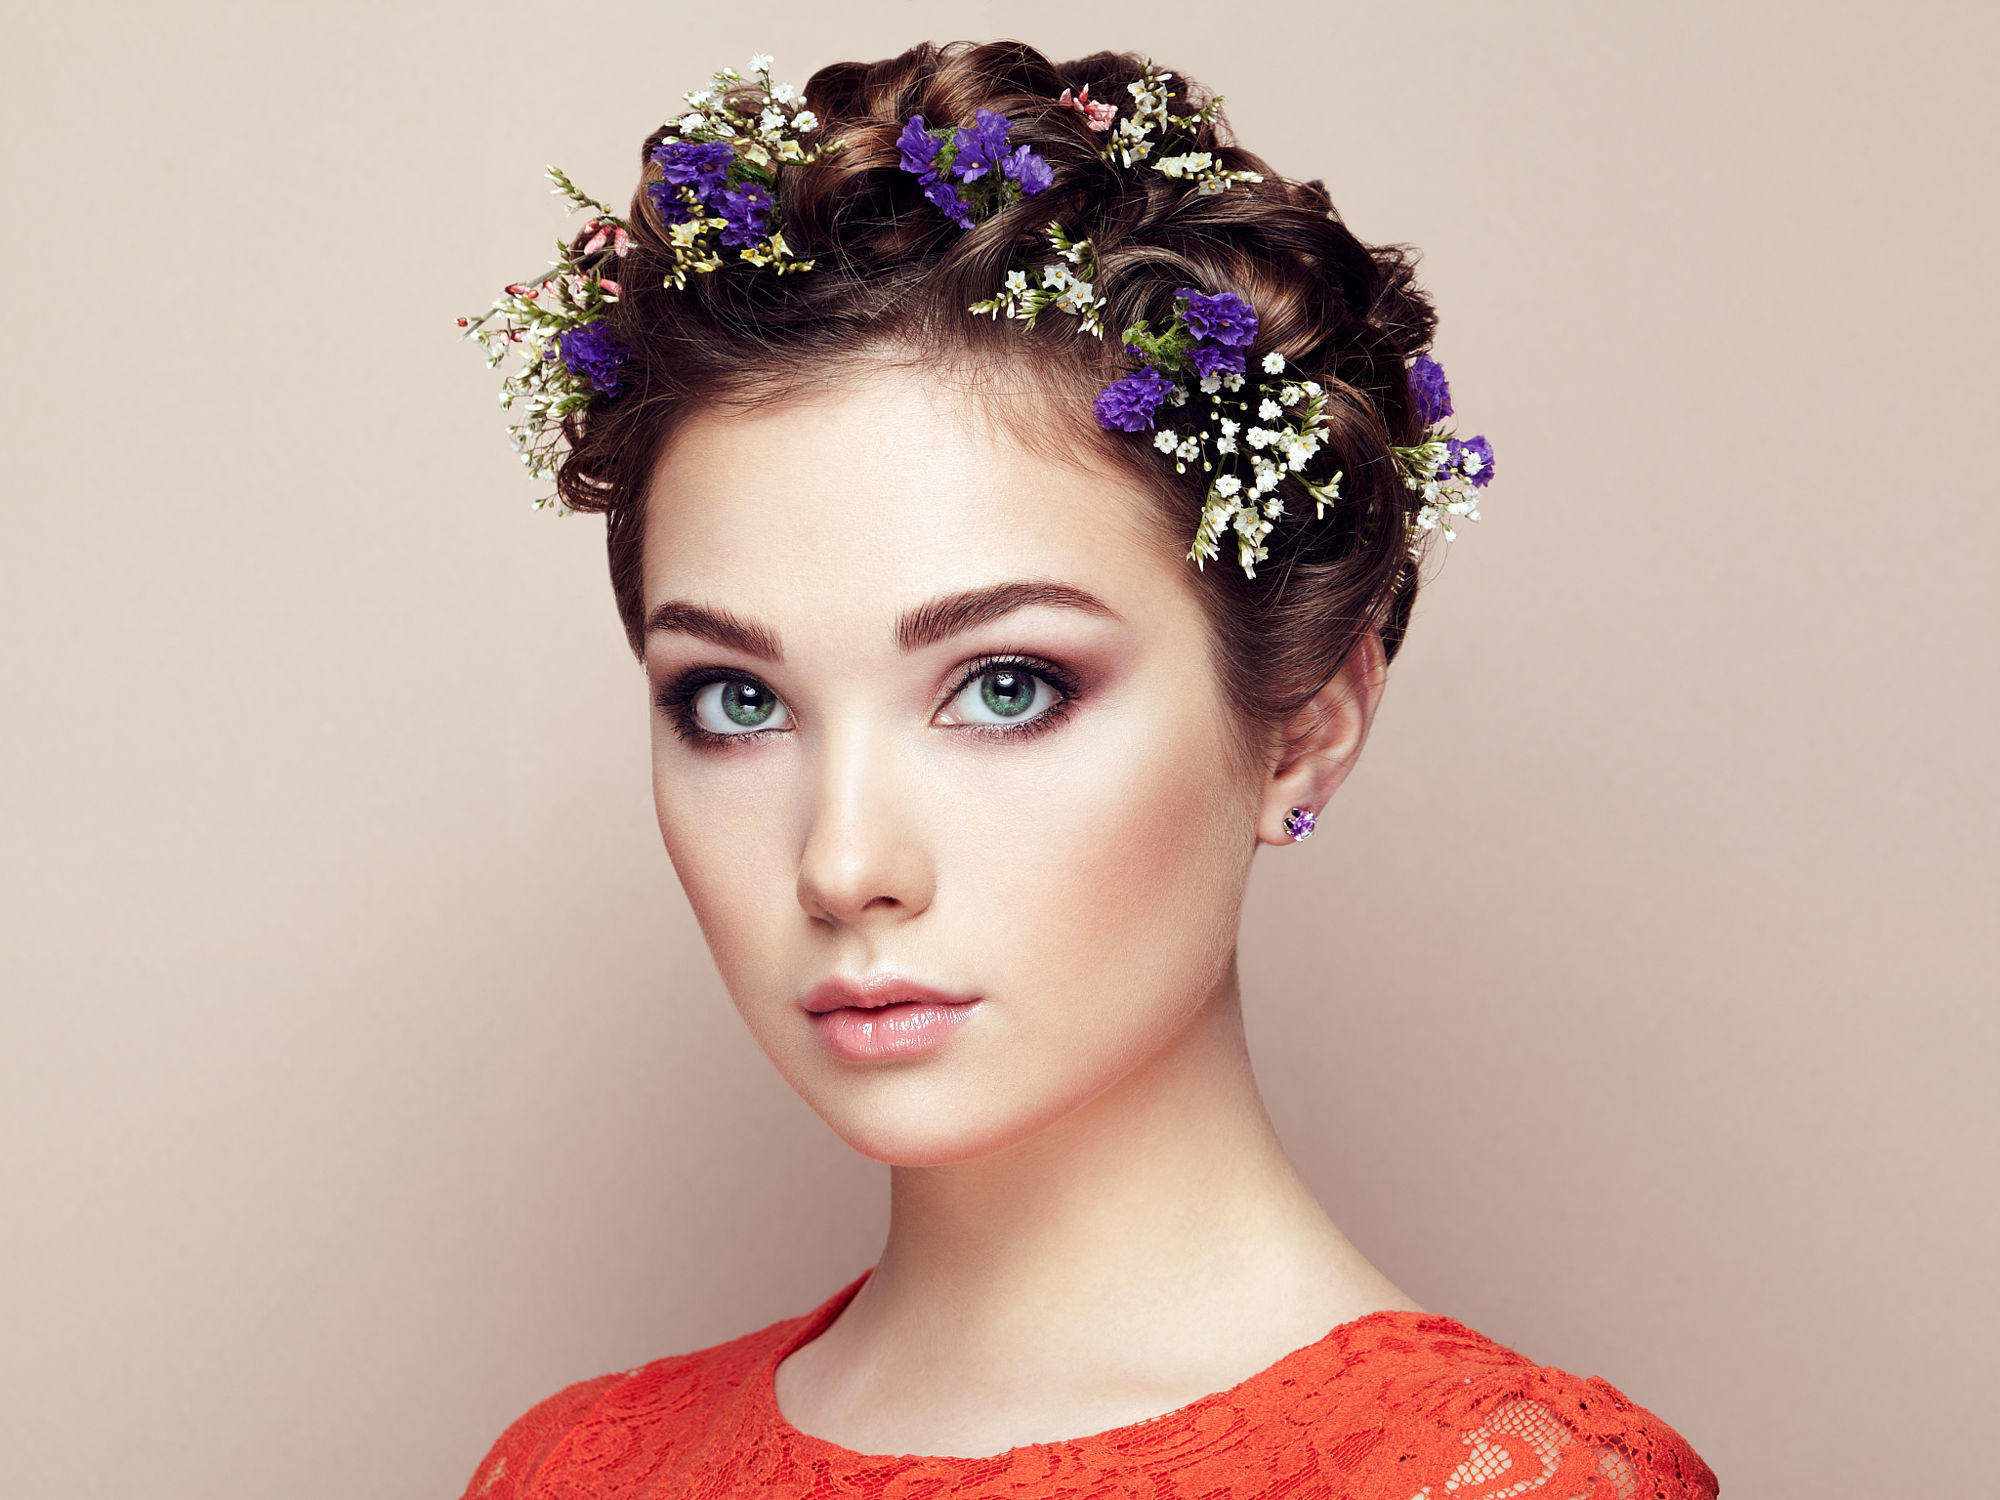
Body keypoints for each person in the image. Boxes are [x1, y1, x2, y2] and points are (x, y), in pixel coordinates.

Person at [453, 39, 1719, 1499]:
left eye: (1005, 686)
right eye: (737, 701)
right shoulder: (570, 1470)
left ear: (1305, 722)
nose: (843, 863)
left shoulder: (1496, 1482)